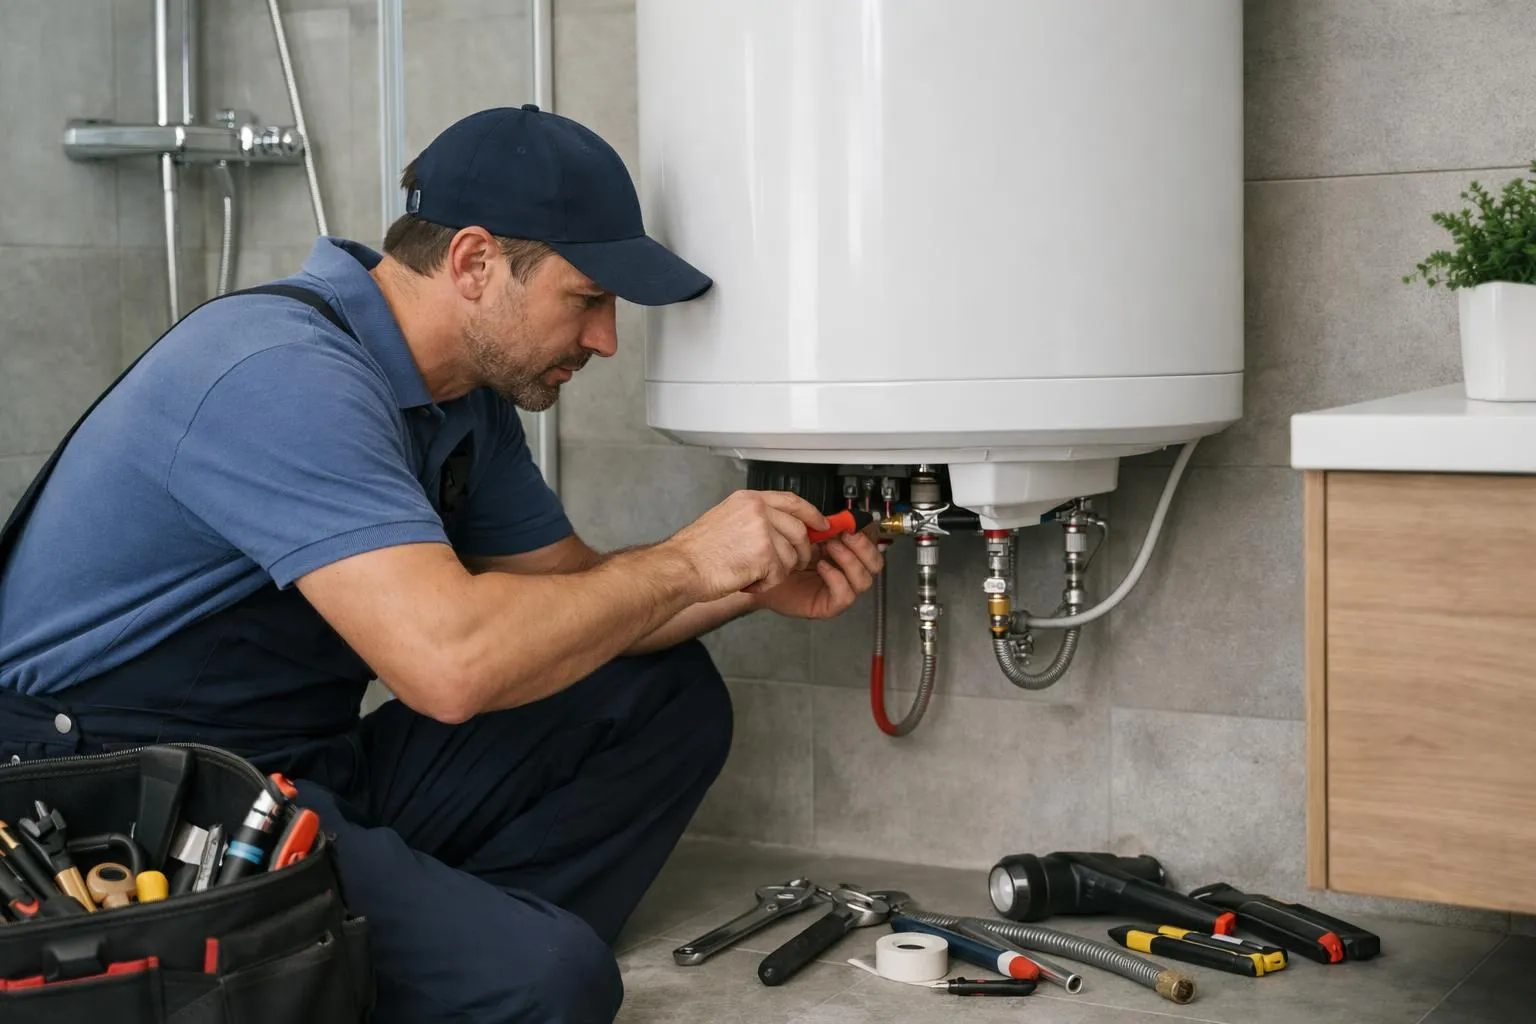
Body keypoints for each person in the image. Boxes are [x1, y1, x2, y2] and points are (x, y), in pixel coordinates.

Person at [0, 106, 882, 1022]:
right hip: (116, 800)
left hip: (293, 770)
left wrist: (745, 581)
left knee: (658, 693)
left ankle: (393, 952)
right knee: (553, 982)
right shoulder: (281, 372)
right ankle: (413, 964)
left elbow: (575, 601)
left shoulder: (461, 401)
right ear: (472, 263)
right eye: (588, 298)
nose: (607, 340)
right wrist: (691, 561)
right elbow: (449, 669)